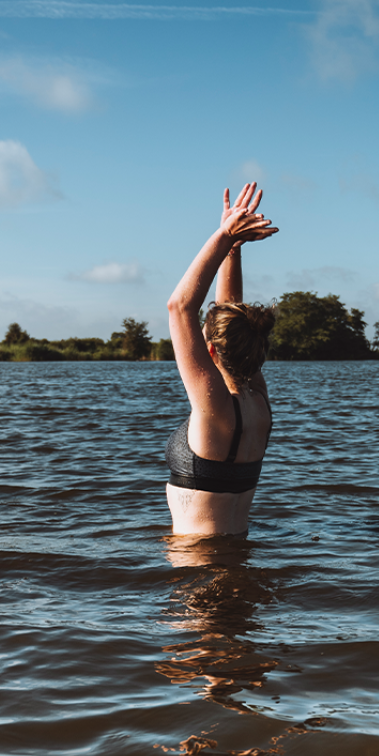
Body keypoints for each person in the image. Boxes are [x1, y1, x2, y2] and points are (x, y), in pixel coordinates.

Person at [165, 183, 278, 537]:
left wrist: (224, 234)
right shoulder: (258, 403)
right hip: (238, 554)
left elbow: (180, 307)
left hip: (201, 570)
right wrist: (233, 250)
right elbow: (226, 314)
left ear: (211, 350)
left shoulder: (213, 403)